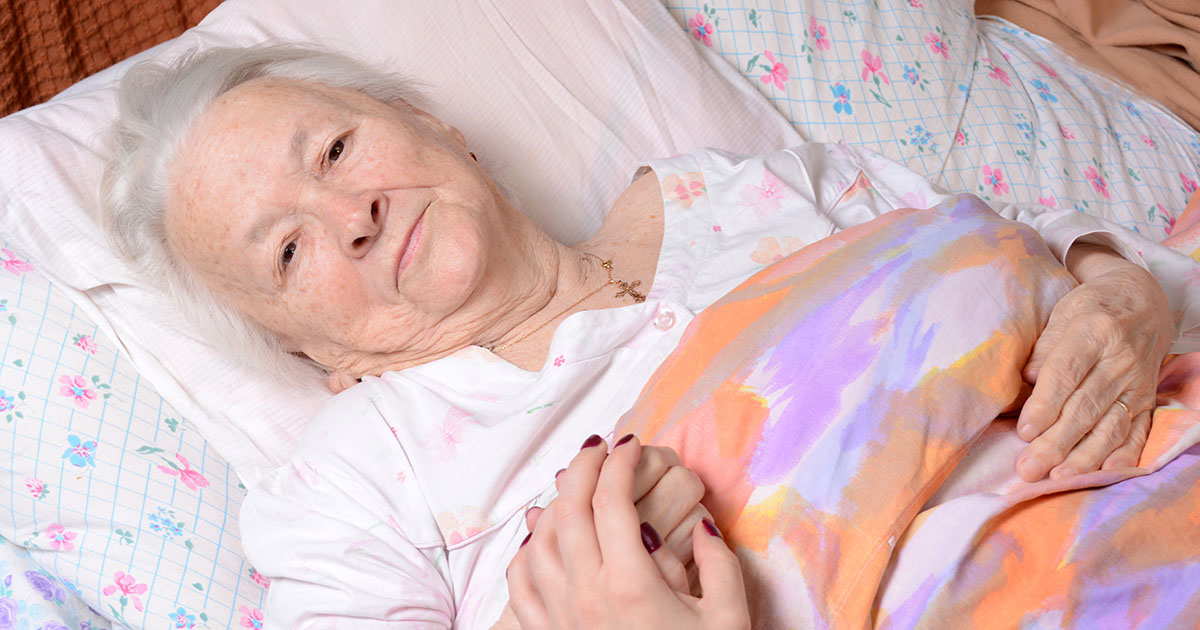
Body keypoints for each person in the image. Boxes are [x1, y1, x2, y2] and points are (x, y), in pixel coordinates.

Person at [99, 45, 1180, 627]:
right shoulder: (353, 486)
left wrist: (1120, 291)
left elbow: (1020, 246)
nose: (352, 215)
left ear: (435, 126)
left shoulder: (744, 193)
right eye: (289, 252)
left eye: (335, 150)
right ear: (315, 356)